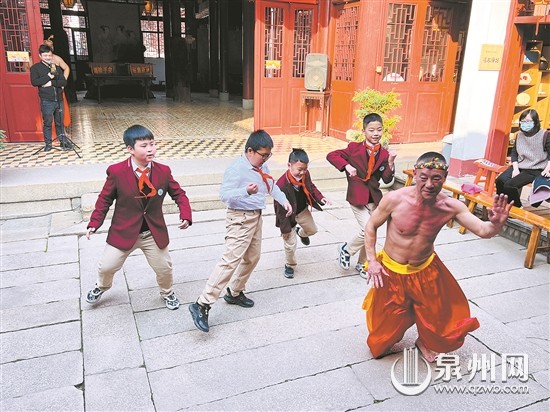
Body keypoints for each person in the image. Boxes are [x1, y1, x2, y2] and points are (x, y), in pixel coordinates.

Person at [363, 152, 512, 362]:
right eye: (423, 177)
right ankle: (389, 335)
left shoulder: (450, 206)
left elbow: (483, 230)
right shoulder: (395, 199)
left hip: (425, 269)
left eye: (436, 179)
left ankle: (424, 342)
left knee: (436, 318)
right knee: (383, 335)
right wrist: (372, 261)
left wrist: (496, 224)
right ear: (415, 174)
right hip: (392, 271)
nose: (429, 184)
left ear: (445, 178)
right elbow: (371, 226)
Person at [189, 130, 292, 332]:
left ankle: (234, 292)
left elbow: (271, 185)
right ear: (250, 151)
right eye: (263, 155)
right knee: (230, 261)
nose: (266, 159)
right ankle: (202, 304)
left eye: (268, 155)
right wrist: (245, 191)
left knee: (253, 257)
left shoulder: (261, 166)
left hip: (256, 216)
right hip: (240, 218)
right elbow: (224, 195)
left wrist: (284, 200)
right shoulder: (236, 169)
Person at [85, 125, 192, 310]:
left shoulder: (163, 171)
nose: (150, 149)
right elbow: (104, 199)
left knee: (164, 268)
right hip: (124, 231)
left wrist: (186, 214)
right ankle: (101, 286)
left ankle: (167, 293)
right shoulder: (117, 172)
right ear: (130, 149)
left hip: (152, 232)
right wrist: (94, 223)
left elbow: (179, 194)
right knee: (106, 267)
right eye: (144, 145)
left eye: (152, 144)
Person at [326, 113, 396, 277]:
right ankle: (346, 250)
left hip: (374, 198)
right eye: (371, 130)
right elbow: (331, 155)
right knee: (367, 229)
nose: (376, 133)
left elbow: (386, 179)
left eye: (379, 130)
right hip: (357, 196)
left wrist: (391, 163)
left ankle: (362, 264)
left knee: (372, 231)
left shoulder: (384, 154)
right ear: (364, 131)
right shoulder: (353, 148)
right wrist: (347, 166)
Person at [275, 148, 332, 278]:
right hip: (288, 216)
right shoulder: (281, 185)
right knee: (290, 245)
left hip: (301, 210)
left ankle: (300, 233)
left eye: (305, 169)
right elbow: (280, 211)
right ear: (289, 165)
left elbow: (311, 186)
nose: (302, 172)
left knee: (312, 230)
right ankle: (290, 265)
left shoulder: (305, 174)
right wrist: (285, 229)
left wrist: (321, 197)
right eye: (299, 169)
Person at [496, 109, 550, 208]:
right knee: (500, 180)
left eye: (528, 121)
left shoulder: (545, 135)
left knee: (510, 185)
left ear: (536, 121)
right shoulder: (519, 135)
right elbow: (514, 153)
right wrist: (515, 169)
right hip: (521, 165)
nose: (525, 124)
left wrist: (547, 170)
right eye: (523, 121)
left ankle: (516, 208)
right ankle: (502, 205)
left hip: (536, 168)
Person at [30, 44, 73, 151]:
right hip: (46, 100)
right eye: (45, 56)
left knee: (60, 122)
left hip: (58, 99)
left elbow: (63, 82)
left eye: (49, 55)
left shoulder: (55, 67)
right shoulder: (35, 68)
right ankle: (48, 144)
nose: (48, 57)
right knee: (48, 123)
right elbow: (35, 82)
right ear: (40, 56)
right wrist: (48, 77)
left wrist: (51, 83)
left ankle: (63, 142)